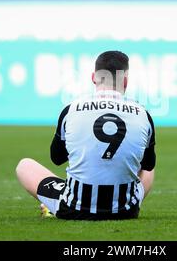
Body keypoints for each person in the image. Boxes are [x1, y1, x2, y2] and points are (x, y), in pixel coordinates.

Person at [16, 51, 156, 220]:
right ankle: (123, 199)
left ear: (93, 78)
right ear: (125, 81)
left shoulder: (71, 109)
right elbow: (148, 165)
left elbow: (57, 158)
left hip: (74, 208)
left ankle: (59, 201)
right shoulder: (142, 113)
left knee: (24, 165)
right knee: (149, 169)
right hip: (126, 211)